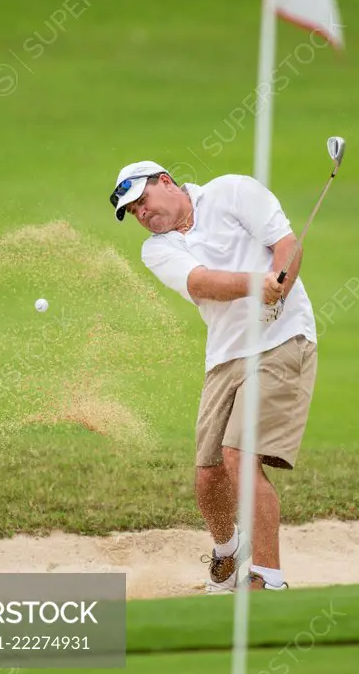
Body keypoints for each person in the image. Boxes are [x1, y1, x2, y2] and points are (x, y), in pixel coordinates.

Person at [110, 160, 317, 591]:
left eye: (142, 200)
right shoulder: (157, 249)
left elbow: (287, 245)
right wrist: (256, 284)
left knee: (239, 456)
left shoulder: (233, 191)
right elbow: (201, 282)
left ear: (165, 182)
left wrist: (279, 288)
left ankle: (268, 579)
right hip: (225, 356)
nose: (142, 214)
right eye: (133, 213)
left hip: (282, 341)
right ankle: (228, 550)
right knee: (208, 477)